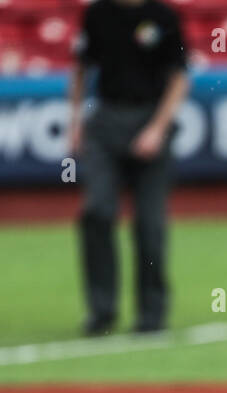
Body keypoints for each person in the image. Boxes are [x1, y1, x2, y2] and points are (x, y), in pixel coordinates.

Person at [70, 0, 190, 336]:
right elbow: (81, 67)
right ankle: (101, 310)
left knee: (149, 224)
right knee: (97, 211)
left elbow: (179, 77)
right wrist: (76, 119)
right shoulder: (97, 14)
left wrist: (157, 128)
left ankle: (152, 313)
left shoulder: (164, 16)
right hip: (106, 122)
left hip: (150, 118)